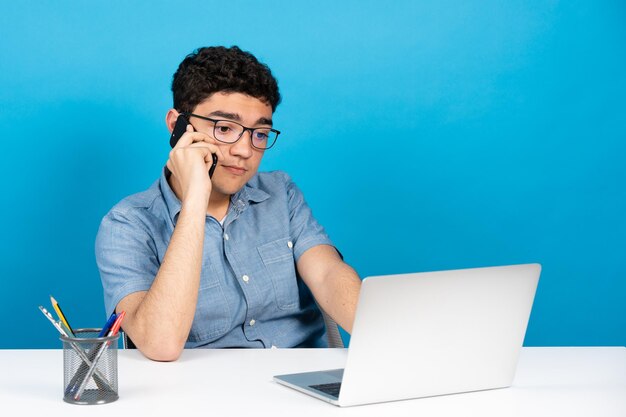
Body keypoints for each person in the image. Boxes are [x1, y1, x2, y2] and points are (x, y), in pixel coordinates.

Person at [96, 46, 362, 361]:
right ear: (177, 126)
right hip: (205, 395)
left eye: (259, 134)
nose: (245, 151)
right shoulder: (126, 225)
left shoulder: (280, 192)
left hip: (302, 383)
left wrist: (387, 334)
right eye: (224, 129)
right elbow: (160, 343)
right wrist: (196, 196)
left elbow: (328, 274)